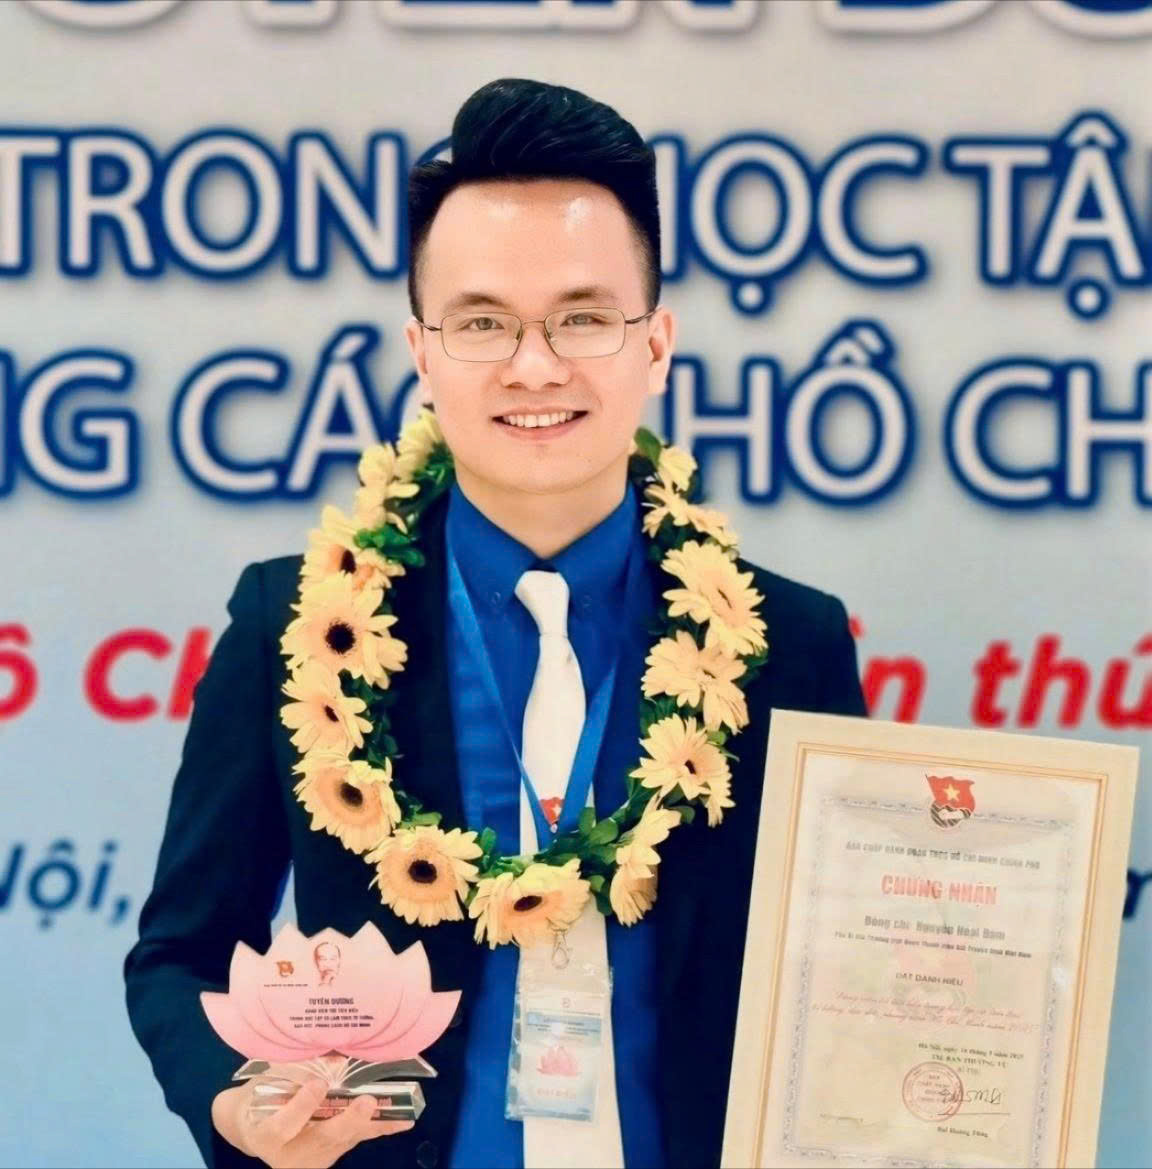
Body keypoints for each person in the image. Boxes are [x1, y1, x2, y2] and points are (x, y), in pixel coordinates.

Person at [123, 77, 867, 1169]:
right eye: (482, 323)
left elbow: (851, 981)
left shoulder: (786, 646)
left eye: (584, 317)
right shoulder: (298, 625)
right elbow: (179, 953)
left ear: (656, 343)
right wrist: (240, 1107)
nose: (535, 365)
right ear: (423, 349)